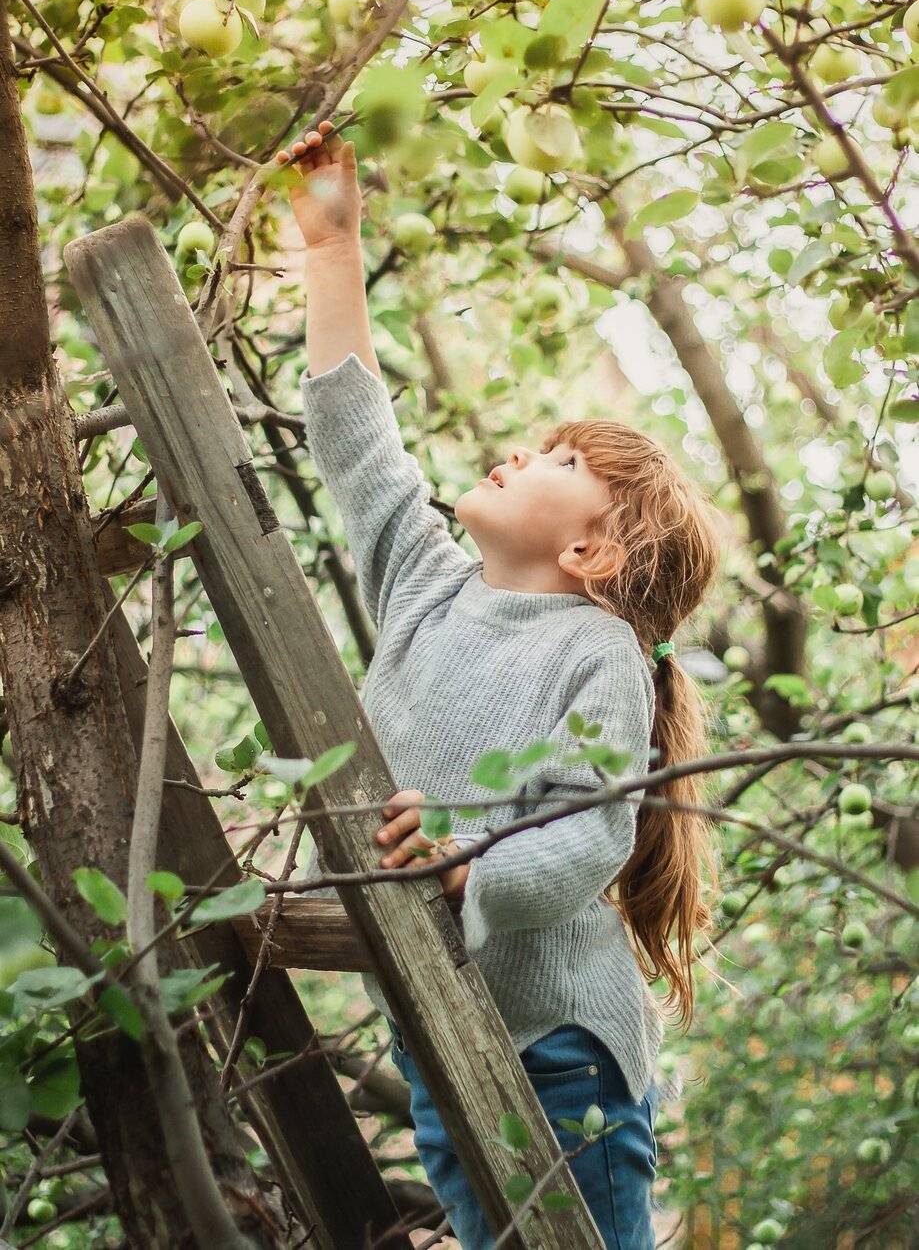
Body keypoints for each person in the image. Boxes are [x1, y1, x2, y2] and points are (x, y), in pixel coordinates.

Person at [276, 120, 723, 1250]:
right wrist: (332, 253)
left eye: (559, 462)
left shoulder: (594, 652)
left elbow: (590, 832)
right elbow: (360, 447)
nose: (521, 452)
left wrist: (468, 860)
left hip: (557, 1046)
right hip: (436, 1024)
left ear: (590, 553)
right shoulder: (426, 584)